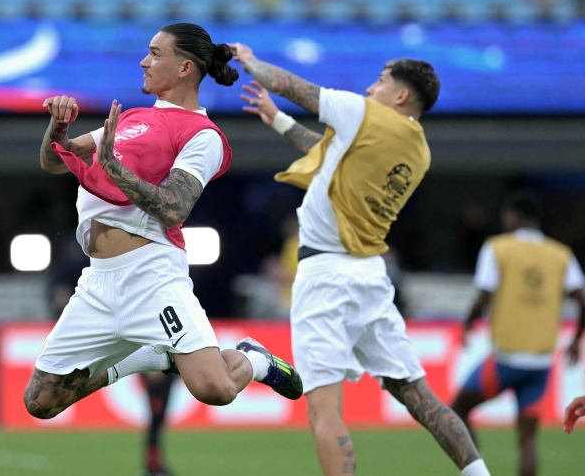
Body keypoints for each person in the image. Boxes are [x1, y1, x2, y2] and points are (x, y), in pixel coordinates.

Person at [23, 23, 303, 423]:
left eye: (155, 53)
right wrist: (59, 129)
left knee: (216, 389)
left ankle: (255, 361)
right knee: (40, 402)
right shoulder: (130, 118)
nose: (143, 60)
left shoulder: (201, 134)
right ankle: (145, 357)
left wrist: (114, 171)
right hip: (98, 279)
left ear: (186, 68)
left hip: (152, 276)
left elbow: (174, 207)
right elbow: (54, 160)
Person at [233, 45, 490, 476]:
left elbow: (290, 85)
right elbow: (332, 157)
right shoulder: (418, 150)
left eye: (381, 81)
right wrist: (278, 120)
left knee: (324, 410)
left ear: (401, 95)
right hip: (369, 277)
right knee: (417, 393)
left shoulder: (365, 114)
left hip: (325, 275)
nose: (372, 87)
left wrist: (251, 61)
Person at [451, 192, 585, 476]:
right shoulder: (560, 254)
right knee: (528, 442)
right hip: (540, 364)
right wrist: (575, 340)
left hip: (505, 360)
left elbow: (484, 294)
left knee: (457, 410)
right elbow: (582, 298)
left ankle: (477, 472)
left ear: (514, 217)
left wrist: (467, 324)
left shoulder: (498, 248)